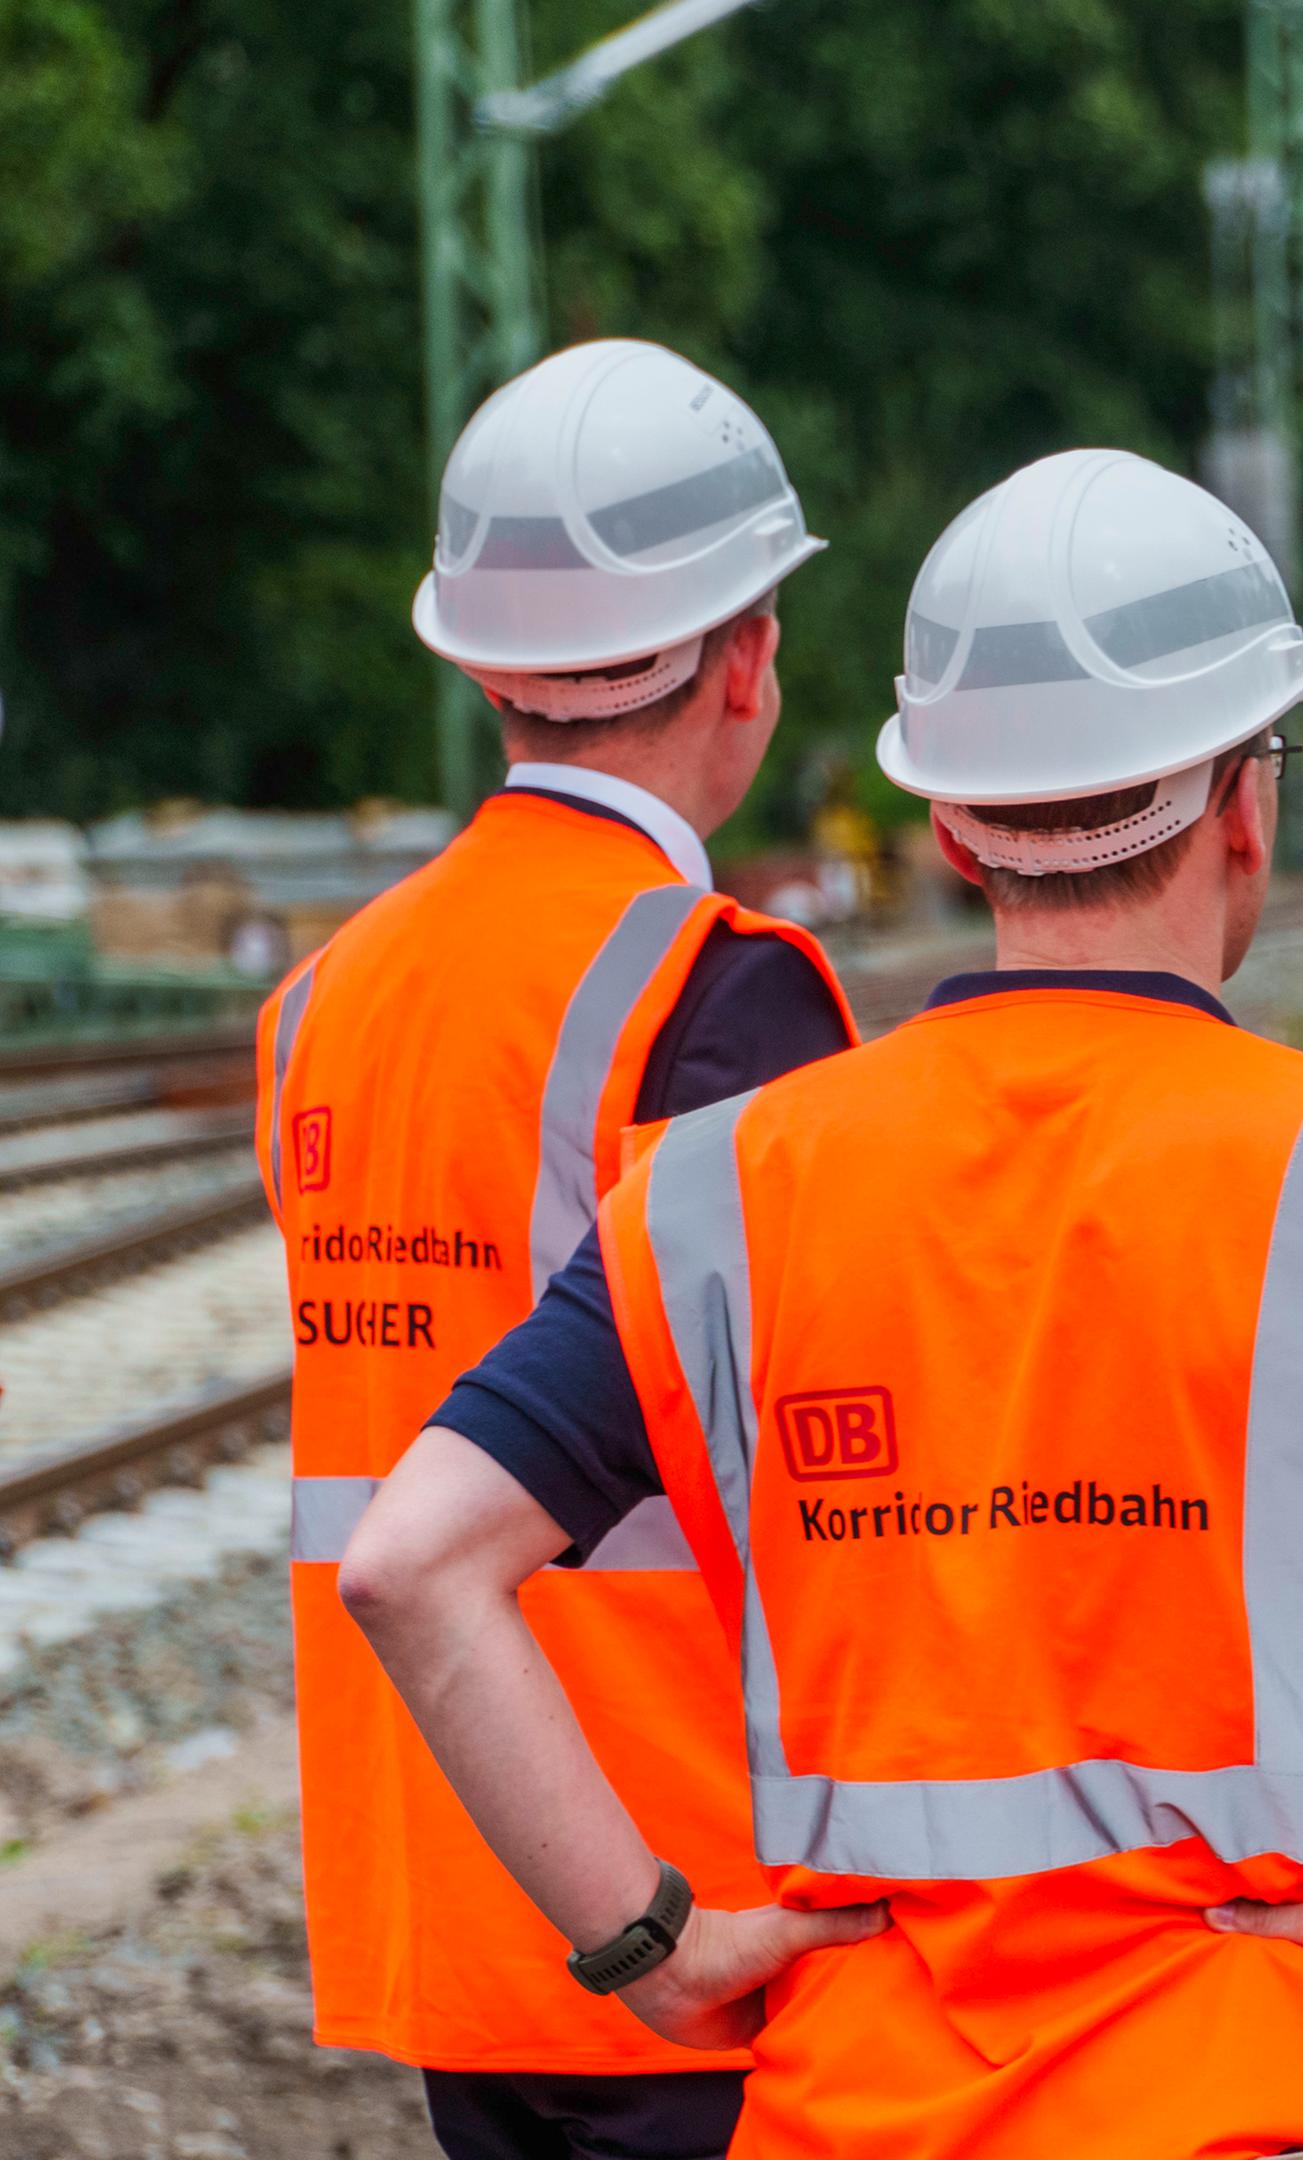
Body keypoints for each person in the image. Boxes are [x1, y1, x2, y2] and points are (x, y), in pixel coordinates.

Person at [336, 448, 1303, 2157]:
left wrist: (656, 1952)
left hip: (864, 2115)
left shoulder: (716, 1191)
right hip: (1278, 2103)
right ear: (1244, 805)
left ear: (948, 825)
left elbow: (411, 1564)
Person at [264, 338, 857, 2158]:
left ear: (478, 663)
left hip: (456, 1896)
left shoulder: (319, 1000)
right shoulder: (716, 994)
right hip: (690, 1904)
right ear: (747, 656)